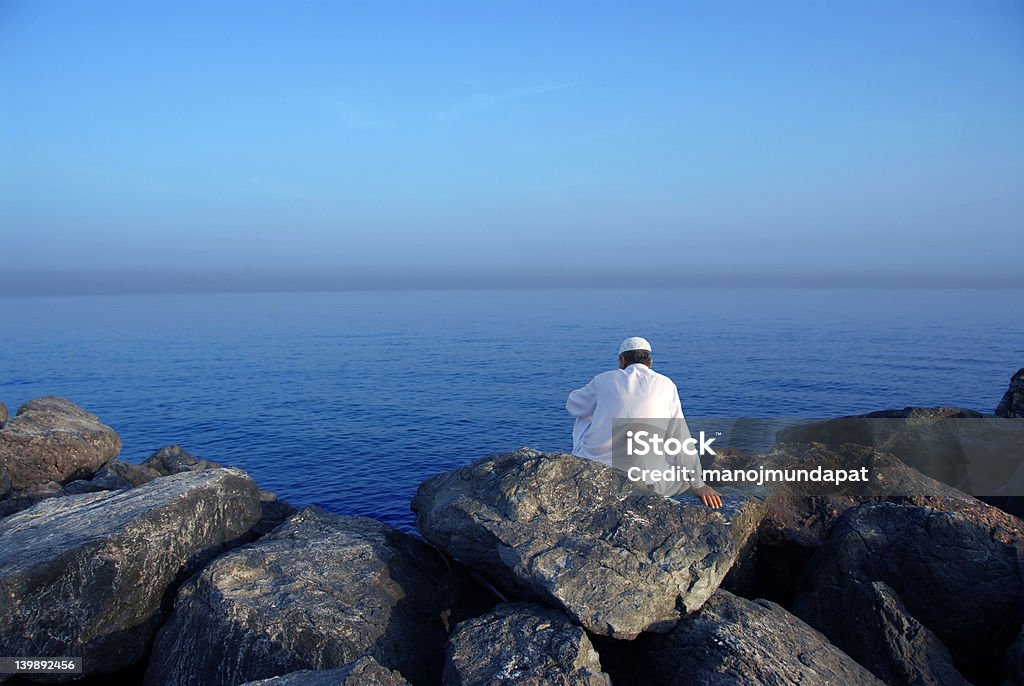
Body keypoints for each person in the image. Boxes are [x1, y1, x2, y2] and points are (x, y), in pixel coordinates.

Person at [566, 336, 723, 508]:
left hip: (598, 470)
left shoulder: (603, 380)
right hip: (648, 479)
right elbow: (680, 435)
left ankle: (585, 455)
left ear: (622, 360)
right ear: (650, 362)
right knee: (672, 453)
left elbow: (573, 405)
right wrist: (698, 483)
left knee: (585, 414)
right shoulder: (667, 385)